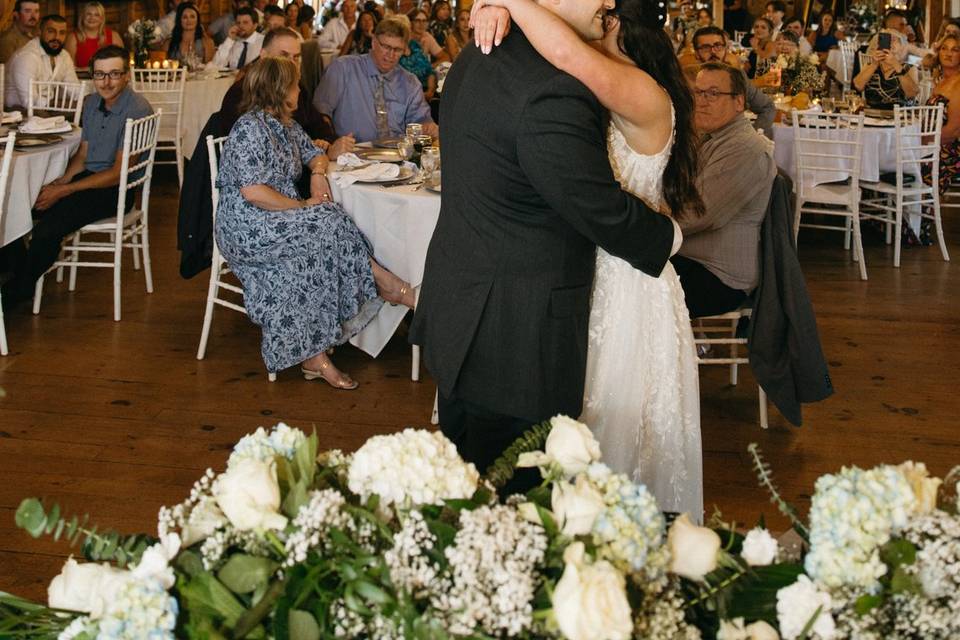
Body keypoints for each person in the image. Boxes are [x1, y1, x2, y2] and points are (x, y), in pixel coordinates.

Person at [413, 0, 687, 510]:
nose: (606, 5)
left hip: (468, 309)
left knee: (470, 488)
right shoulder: (552, 86)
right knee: (521, 507)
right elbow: (596, 207)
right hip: (516, 338)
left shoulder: (481, 52)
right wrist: (669, 238)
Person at [215, 56, 414, 387]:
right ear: (280, 90)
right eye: (294, 84)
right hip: (247, 225)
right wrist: (302, 204)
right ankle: (389, 285)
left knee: (329, 221)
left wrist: (318, 174)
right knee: (328, 218)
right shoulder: (249, 127)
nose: (299, 89)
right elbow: (253, 192)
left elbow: (316, 154)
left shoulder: (287, 126)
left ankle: (315, 355)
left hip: (277, 217)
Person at [2, 46, 153, 307]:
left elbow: (117, 174)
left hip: (115, 190)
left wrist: (64, 191)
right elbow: (82, 155)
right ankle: (18, 268)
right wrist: (60, 181)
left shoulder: (137, 108)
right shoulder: (92, 103)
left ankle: (20, 289)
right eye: (99, 75)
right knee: (18, 207)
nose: (106, 82)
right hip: (89, 179)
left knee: (48, 229)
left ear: (126, 76)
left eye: (114, 74)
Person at [673, 62, 775, 319]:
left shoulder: (743, 149)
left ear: (739, 102)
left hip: (721, 277)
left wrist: (639, 227)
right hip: (695, 257)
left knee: (631, 286)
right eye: (697, 92)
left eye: (713, 94)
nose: (702, 101)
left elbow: (697, 214)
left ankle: (667, 353)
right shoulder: (713, 137)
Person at [220, 27, 354, 159]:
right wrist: (315, 151)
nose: (292, 63)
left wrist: (326, 144)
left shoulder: (296, 88)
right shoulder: (241, 93)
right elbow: (256, 153)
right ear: (263, 56)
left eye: (296, 57)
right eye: (283, 56)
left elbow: (319, 126)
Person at [314, 16, 438, 142]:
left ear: (404, 50)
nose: (390, 55)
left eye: (397, 49)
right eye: (386, 47)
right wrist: (330, 141)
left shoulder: (410, 82)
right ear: (373, 42)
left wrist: (427, 128)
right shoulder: (343, 69)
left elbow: (421, 121)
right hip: (350, 155)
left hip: (396, 155)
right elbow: (320, 114)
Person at [684, 26, 776, 136]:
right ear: (697, 53)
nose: (713, 52)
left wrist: (754, 135)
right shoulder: (687, 80)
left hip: (733, 142)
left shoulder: (737, 76)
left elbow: (767, 107)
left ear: (725, 49)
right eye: (705, 48)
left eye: (718, 46)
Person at [5, 14, 79, 111]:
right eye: (51, 31)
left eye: (62, 33)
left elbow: (75, 90)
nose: (57, 37)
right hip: (17, 114)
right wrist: (64, 105)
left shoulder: (64, 56)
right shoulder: (27, 57)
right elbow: (30, 101)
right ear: (39, 32)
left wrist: (86, 99)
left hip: (47, 112)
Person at [854, 34, 919, 109]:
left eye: (894, 40)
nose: (890, 43)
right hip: (872, 116)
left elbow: (912, 93)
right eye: (885, 40)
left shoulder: (909, 68)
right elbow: (858, 86)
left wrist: (896, 64)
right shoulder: (871, 66)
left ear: (902, 47)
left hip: (902, 117)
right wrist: (874, 64)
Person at [64, 2, 123, 68]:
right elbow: (69, 68)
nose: (92, 18)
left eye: (97, 15)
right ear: (83, 16)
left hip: (109, 77)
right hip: (83, 77)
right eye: (88, 14)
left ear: (101, 19)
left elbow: (122, 63)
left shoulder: (114, 36)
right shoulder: (72, 38)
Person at [402, 10, 438, 99]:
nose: (421, 24)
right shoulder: (395, 50)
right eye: (417, 21)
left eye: (424, 21)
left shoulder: (415, 45)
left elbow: (430, 71)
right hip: (406, 93)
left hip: (424, 90)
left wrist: (429, 91)